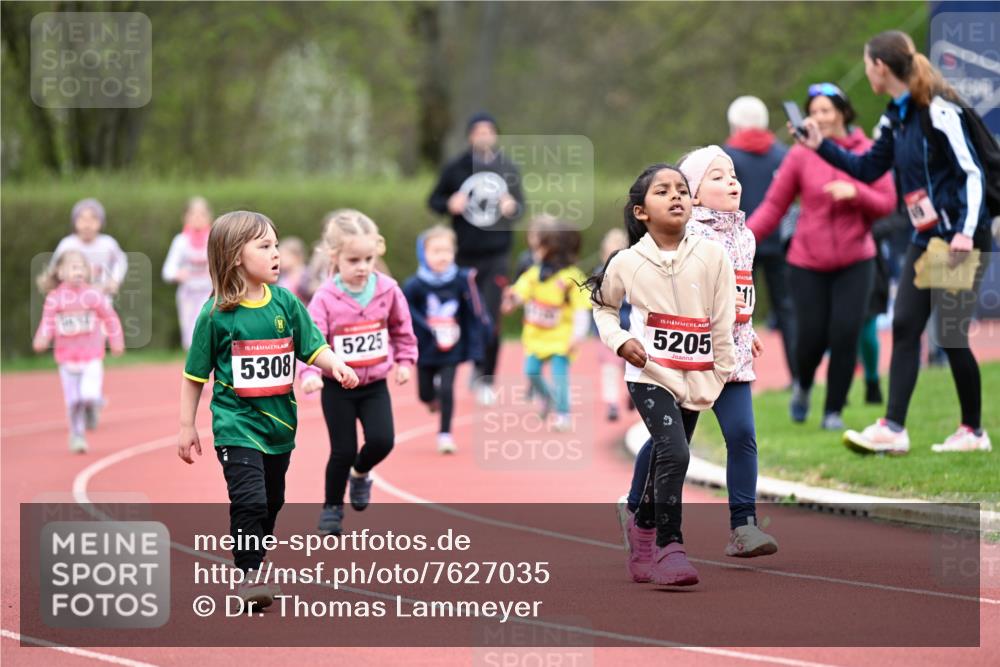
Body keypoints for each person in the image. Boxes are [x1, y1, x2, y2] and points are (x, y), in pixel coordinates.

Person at [799, 31, 993, 454]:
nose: (866, 70)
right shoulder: (895, 117)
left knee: (953, 334)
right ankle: (894, 428)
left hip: (959, 238)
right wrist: (821, 147)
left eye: (867, 64)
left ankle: (973, 432)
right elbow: (868, 168)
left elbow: (974, 173)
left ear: (880, 67)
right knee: (905, 325)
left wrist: (964, 231)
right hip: (928, 239)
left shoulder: (939, 110)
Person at [177, 211, 359, 609]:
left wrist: (336, 365)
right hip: (235, 425)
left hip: (279, 429)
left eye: (276, 245)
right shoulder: (215, 315)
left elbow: (314, 347)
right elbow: (194, 375)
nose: (276, 254)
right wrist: (186, 425)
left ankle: (254, 561)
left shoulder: (286, 303)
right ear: (234, 256)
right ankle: (249, 576)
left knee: (272, 502)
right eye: (264, 246)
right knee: (251, 500)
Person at [621, 147, 777, 559]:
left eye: (733, 175)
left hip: (733, 356)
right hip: (689, 357)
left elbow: (737, 294)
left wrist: (749, 327)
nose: (732, 183)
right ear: (691, 195)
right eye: (717, 177)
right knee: (672, 443)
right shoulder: (687, 235)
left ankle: (743, 526)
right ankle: (636, 507)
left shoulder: (747, 236)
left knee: (742, 436)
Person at [587, 163, 737, 586]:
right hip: (649, 374)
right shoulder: (627, 262)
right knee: (675, 453)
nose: (676, 196)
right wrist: (620, 341)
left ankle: (642, 527)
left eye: (682, 190)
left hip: (697, 375)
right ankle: (672, 548)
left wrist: (720, 370)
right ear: (641, 212)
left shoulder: (712, 255)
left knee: (665, 455)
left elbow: (723, 320)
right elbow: (603, 306)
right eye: (663, 191)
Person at [749, 83, 897, 430]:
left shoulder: (868, 151)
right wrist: (742, 240)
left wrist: (856, 191)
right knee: (811, 337)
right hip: (807, 262)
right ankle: (802, 385)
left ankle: (833, 412)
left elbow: (887, 203)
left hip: (855, 260)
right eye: (813, 112)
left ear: (843, 113)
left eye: (826, 111)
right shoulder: (800, 155)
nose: (819, 118)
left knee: (846, 334)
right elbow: (773, 205)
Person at [300, 209, 417, 534]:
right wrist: (309, 375)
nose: (363, 267)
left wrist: (406, 362)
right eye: (354, 260)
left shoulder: (388, 289)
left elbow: (402, 330)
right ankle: (332, 510)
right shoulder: (324, 297)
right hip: (338, 386)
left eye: (368, 258)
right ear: (334, 257)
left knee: (383, 441)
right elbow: (311, 340)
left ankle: (361, 473)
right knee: (343, 450)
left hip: (375, 383)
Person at [428, 112, 524, 406]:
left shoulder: (508, 167)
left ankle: (486, 377)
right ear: (470, 135)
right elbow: (433, 201)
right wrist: (449, 204)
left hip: (497, 253)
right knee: (456, 315)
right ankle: (443, 373)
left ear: (495, 135)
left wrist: (512, 206)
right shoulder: (456, 167)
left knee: (490, 318)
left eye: (489, 130)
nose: (483, 135)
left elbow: (521, 208)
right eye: (478, 131)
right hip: (464, 255)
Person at [724, 95, 798, 388]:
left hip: (742, 242)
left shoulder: (728, 157)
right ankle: (797, 379)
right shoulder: (783, 154)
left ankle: (741, 377)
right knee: (787, 309)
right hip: (779, 241)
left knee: (738, 310)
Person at [403, 225, 488, 454]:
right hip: (425, 348)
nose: (442, 256)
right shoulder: (415, 284)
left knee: (449, 388)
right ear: (424, 253)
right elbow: (404, 310)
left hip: (452, 346)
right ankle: (433, 400)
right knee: (424, 393)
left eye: (447, 251)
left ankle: (445, 434)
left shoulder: (461, 280)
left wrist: (479, 341)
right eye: (436, 251)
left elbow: (474, 312)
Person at [502, 220, 591, 432]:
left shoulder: (571, 278)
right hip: (536, 337)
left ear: (553, 248)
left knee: (560, 376)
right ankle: (548, 398)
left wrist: (577, 335)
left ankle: (563, 415)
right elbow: (521, 293)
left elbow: (581, 308)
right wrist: (511, 300)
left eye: (539, 246)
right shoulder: (534, 274)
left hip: (562, 338)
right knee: (531, 371)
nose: (534, 251)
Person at [33, 250, 125, 453]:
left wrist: (116, 340)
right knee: (73, 401)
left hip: (92, 356)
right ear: (60, 271)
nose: (78, 271)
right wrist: (42, 338)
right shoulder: (54, 299)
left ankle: (94, 404)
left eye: (81, 267)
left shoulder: (93, 295)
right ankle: (77, 436)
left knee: (88, 395)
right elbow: (47, 323)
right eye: (73, 267)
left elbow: (110, 318)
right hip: (66, 358)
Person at [162, 196, 214, 350]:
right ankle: (194, 371)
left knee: (209, 332)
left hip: (210, 294)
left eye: (202, 214)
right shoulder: (180, 241)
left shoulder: (214, 239)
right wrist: (177, 274)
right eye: (193, 214)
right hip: (188, 295)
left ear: (209, 217)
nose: (197, 218)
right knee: (190, 338)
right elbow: (167, 270)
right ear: (185, 218)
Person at [51, 198, 128, 297]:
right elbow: (55, 268)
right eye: (82, 219)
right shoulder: (67, 244)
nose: (87, 224)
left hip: (101, 298)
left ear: (101, 222)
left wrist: (115, 280)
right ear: (75, 222)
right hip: (72, 301)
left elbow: (121, 262)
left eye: (93, 219)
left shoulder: (108, 244)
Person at [594, 228, 632, 421]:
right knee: (609, 369)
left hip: (630, 330)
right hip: (608, 332)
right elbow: (595, 305)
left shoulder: (632, 273)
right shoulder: (598, 274)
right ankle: (612, 404)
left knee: (630, 366)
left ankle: (631, 394)